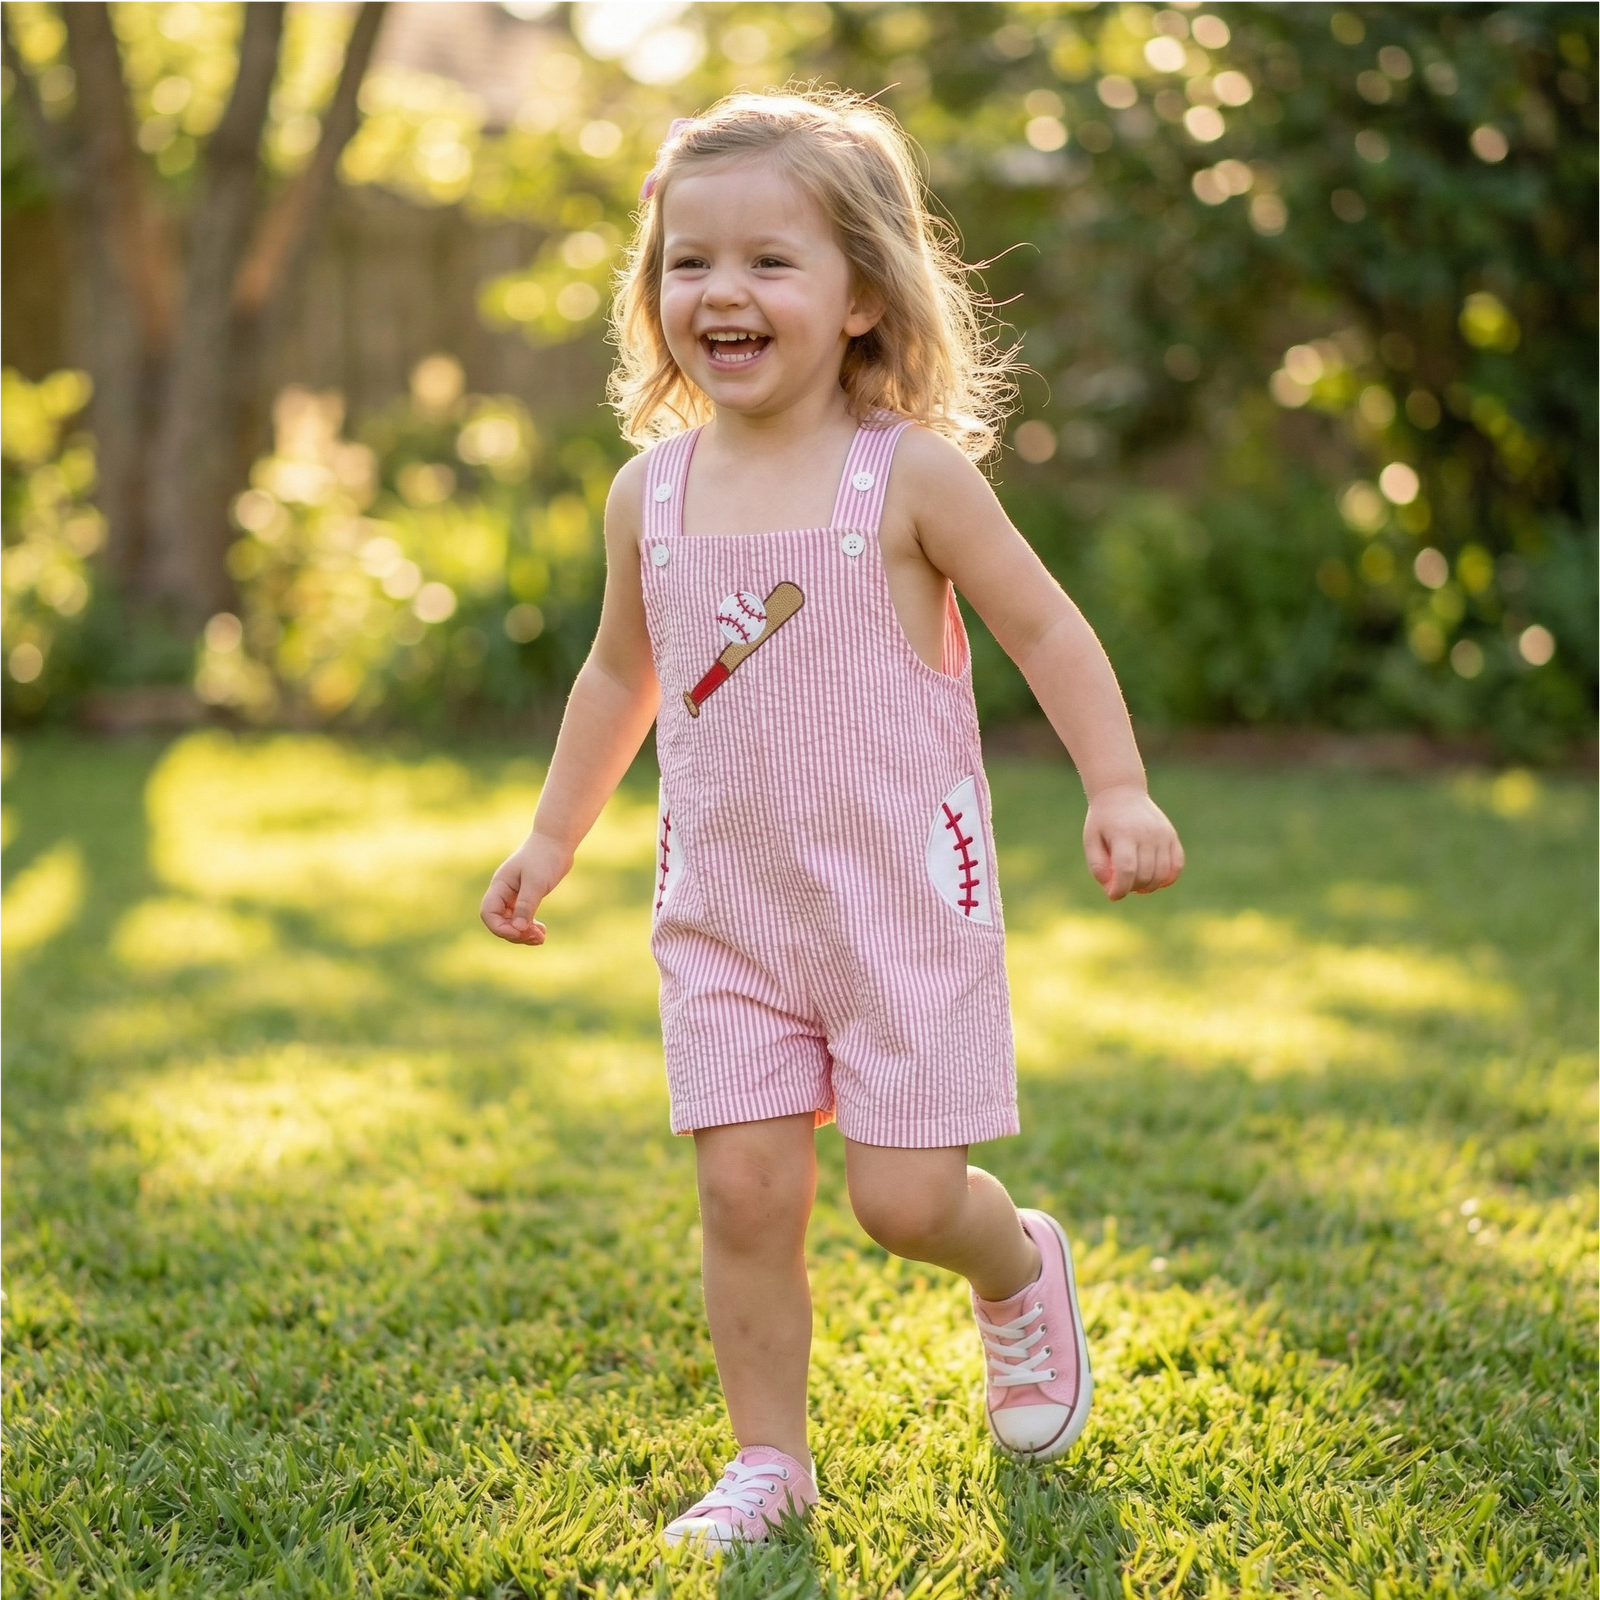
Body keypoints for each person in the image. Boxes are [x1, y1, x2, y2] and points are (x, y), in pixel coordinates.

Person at [480, 90, 1184, 1550]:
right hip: (725, 912)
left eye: (768, 262)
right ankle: (768, 1463)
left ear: (863, 293)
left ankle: (1013, 1266)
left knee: (905, 1202)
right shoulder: (649, 497)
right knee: (743, 1189)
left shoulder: (908, 477)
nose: (720, 293)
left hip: (900, 909)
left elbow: (1046, 629)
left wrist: (1116, 784)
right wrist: (554, 838)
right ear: (654, 289)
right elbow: (623, 671)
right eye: (689, 262)